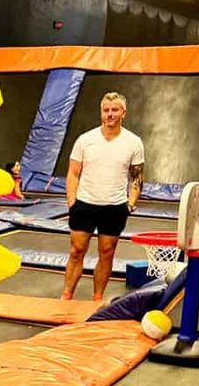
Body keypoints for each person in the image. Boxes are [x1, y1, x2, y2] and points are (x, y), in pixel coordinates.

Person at [62, 93, 144, 302]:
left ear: (123, 113)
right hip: (84, 205)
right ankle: (67, 294)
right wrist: (72, 202)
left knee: (107, 253)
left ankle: (97, 297)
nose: (109, 114)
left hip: (114, 208)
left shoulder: (134, 142)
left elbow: (137, 177)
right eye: (106, 110)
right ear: (101, 112)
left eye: (114, 110)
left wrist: (131, 205)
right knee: (76, 251)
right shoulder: (85, 140)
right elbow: (73, 173)